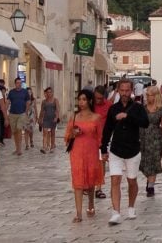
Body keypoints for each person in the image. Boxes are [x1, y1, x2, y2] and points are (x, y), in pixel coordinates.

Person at [100, 79, 150, 225]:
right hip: (116, 149)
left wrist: (128, 117)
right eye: (122, 90)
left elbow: (145, 123)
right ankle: (115, 212)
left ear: (132, 91)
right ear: (118, 90)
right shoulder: (113, 109)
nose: (124, 93)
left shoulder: (137, 108)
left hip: (133, 150)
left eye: (127, 90)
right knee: (115, 180)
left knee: (131, 181)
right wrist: (103, 148)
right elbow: (107, 129)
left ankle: (131, 206)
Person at [67, 89, 103, 223]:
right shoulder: (74, 117)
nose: (81, 102)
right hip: (76, 151)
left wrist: (102, 152)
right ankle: (78, 213)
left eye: (84, 99)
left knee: (90, 180)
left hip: (91, 152)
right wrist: (73, 133)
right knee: (77, 180)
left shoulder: (96, 118)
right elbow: (67, 136)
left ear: (89, 101)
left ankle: (91, 204)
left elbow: (100, 137)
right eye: (79, 99)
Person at [139, 85, 162, 197]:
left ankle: (151, 186)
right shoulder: (143, 108)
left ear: (155, 96)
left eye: (149, 95)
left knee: (154, 161)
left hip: (156, 138)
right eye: (146, 95)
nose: (147, 97)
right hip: (143, 137)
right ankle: (149, 180)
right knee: (146, 162)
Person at [92, 86, 112, 199]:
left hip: (103, 139)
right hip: (89, 138)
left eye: (100, 98)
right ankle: (89, 185)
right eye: (96, 98)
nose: (97, 100)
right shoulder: (90, 104)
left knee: (101, 162)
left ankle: (98, 188)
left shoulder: (108, 105)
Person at [6, 78, 30, 156]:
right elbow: (8, 102)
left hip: (21, 113)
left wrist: (26, 111)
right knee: (15, 132)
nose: (19, 84)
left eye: (20, 83)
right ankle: (17, 148)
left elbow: (28, 102)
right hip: (12, 114)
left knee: (19, 129)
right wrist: (5, 113)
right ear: (15, 83)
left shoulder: (25, 92)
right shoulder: (11, 92)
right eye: (17, 83)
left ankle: (19, 149)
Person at [39, 87, 60, 154]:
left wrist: (56, 117)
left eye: (50, 92)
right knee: (44, 132)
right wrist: (40, 119)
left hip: (53, 119)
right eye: (48, 92)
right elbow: (42, 111)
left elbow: (57, 109)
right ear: (46, 93)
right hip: (46, 119)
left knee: (52, 133)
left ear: (52, 93)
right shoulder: (44, 102)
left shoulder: (55, 100)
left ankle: (52, 147)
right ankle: (44, 147)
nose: (49, 93)